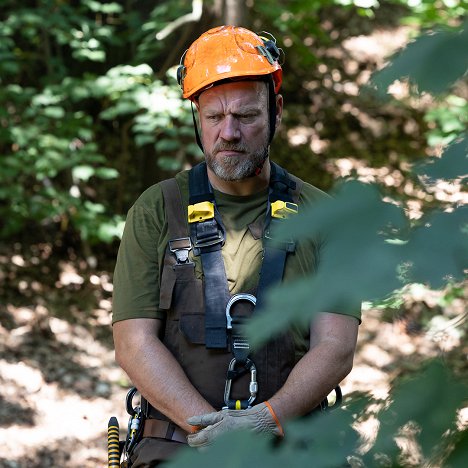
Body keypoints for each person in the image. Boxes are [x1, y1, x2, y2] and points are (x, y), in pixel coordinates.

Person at [112, 25, 360, 467]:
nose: (228, 132)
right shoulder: (155, 211)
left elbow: (336, 346)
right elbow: (133, 343)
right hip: (176, 447)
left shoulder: (325, 218)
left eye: (246, 116)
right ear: (197, 119)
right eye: (214, 117)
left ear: (276, 111)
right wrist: (211, 432)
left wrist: (264, 421)